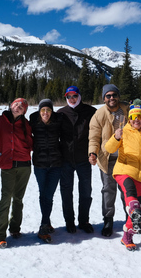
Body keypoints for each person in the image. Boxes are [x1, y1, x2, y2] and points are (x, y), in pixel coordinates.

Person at [105, 99, 141, 251]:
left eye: (140, 116)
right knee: (131, 196)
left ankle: (127, 235)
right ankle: (134, 208)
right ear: (130, 118)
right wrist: (116, 137)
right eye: (134, 116)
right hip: (124, 170)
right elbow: (109, 148)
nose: (137, 120)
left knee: (139, 210)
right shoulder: (123, 131)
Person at [0, 98, 33, 248]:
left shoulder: (26, 124)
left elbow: (31, 143)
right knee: (5, 198)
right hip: (7, 165)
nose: (18, 107)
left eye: (22, 106)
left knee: (18, 199)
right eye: (16, 104)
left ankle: (15, 228)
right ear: (10, 105)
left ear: (24, 111)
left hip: (25, 165)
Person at [88, 84, 128, 237]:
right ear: (104, 98)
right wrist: (92, 152)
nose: (112, 98)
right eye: (108, 96)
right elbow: (94, 136)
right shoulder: (99, 114)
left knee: (127, 190)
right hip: (107, 158)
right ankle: (108, 220)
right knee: (108, 191)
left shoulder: (128, 110)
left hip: (126, 158)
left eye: (114, 95)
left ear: (118, 96)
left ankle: (130, 219)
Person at [58, 86, 97, 233]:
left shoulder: (91, 111)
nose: (72, 99)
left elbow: (97, 134)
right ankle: (69, 221)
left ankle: (84, 221)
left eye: (74, 96)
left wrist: (95, 152)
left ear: (79, 96)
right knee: (66, 191)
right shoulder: (61, 113)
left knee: (85, 191)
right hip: (66, 159)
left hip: (84, 158)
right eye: (69, 97)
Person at [29, 99, 63, 243]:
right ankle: (44, 225)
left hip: (56, 164)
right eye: (43, 110)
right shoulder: (33, 122)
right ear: (39, 111)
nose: (45, 113)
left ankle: (46, 222)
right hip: (40, 165)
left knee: (48, 194)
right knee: (44, 194)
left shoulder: (58, 122)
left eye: (48, 110)